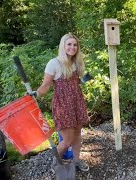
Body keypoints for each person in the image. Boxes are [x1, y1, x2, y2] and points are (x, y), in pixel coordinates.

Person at [33, 33, 89, 171]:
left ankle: (76, 161)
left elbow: (76, 83)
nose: (72, 47)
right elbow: (45, 86)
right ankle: (55, 163)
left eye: (75, 44)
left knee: (77, 135)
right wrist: (35, 94)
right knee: (67, 141)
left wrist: (84, 80)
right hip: (63, 106)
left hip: (77, 103)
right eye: (69, 44)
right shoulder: (54, 63)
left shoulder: (76, 63)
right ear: (63, 46)